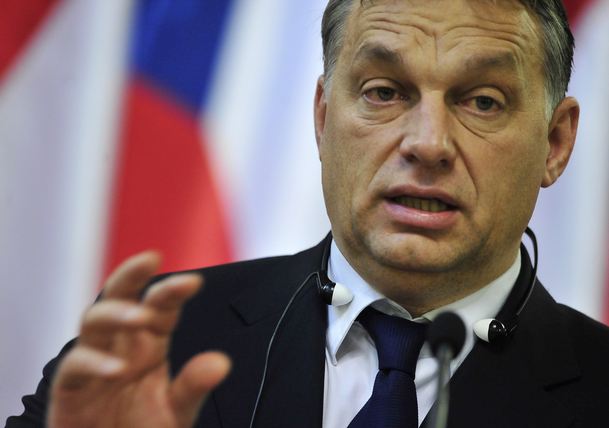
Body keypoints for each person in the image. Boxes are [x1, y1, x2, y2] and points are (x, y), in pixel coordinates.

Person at [7, 0, 609, 427]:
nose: (428, 144)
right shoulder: (161, 343)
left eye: (482, 101)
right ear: (322, 118)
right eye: (383, 92)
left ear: (555, 143)